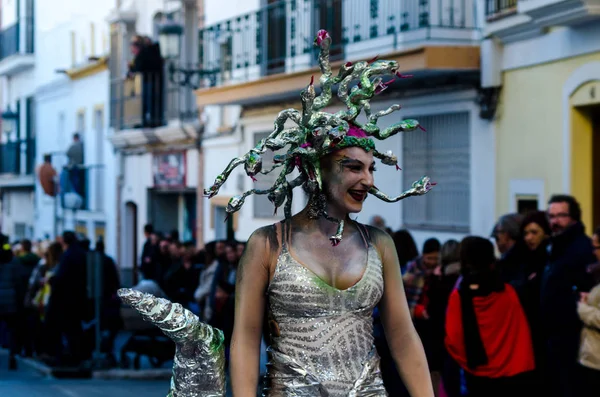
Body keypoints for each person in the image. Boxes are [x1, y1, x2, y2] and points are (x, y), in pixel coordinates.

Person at [118, 29, 435, 396]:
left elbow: (401, 334)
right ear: (316, 169)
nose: (367, 179)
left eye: (370, 168)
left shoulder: (379, 245)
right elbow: (247, 338)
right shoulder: (267, 245)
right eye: (353, 167)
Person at [445, 237, 535, 397]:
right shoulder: (509, 293)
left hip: (476, 375)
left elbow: (453, 340)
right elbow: (521, 333)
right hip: (512, 373)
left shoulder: (458, 297)